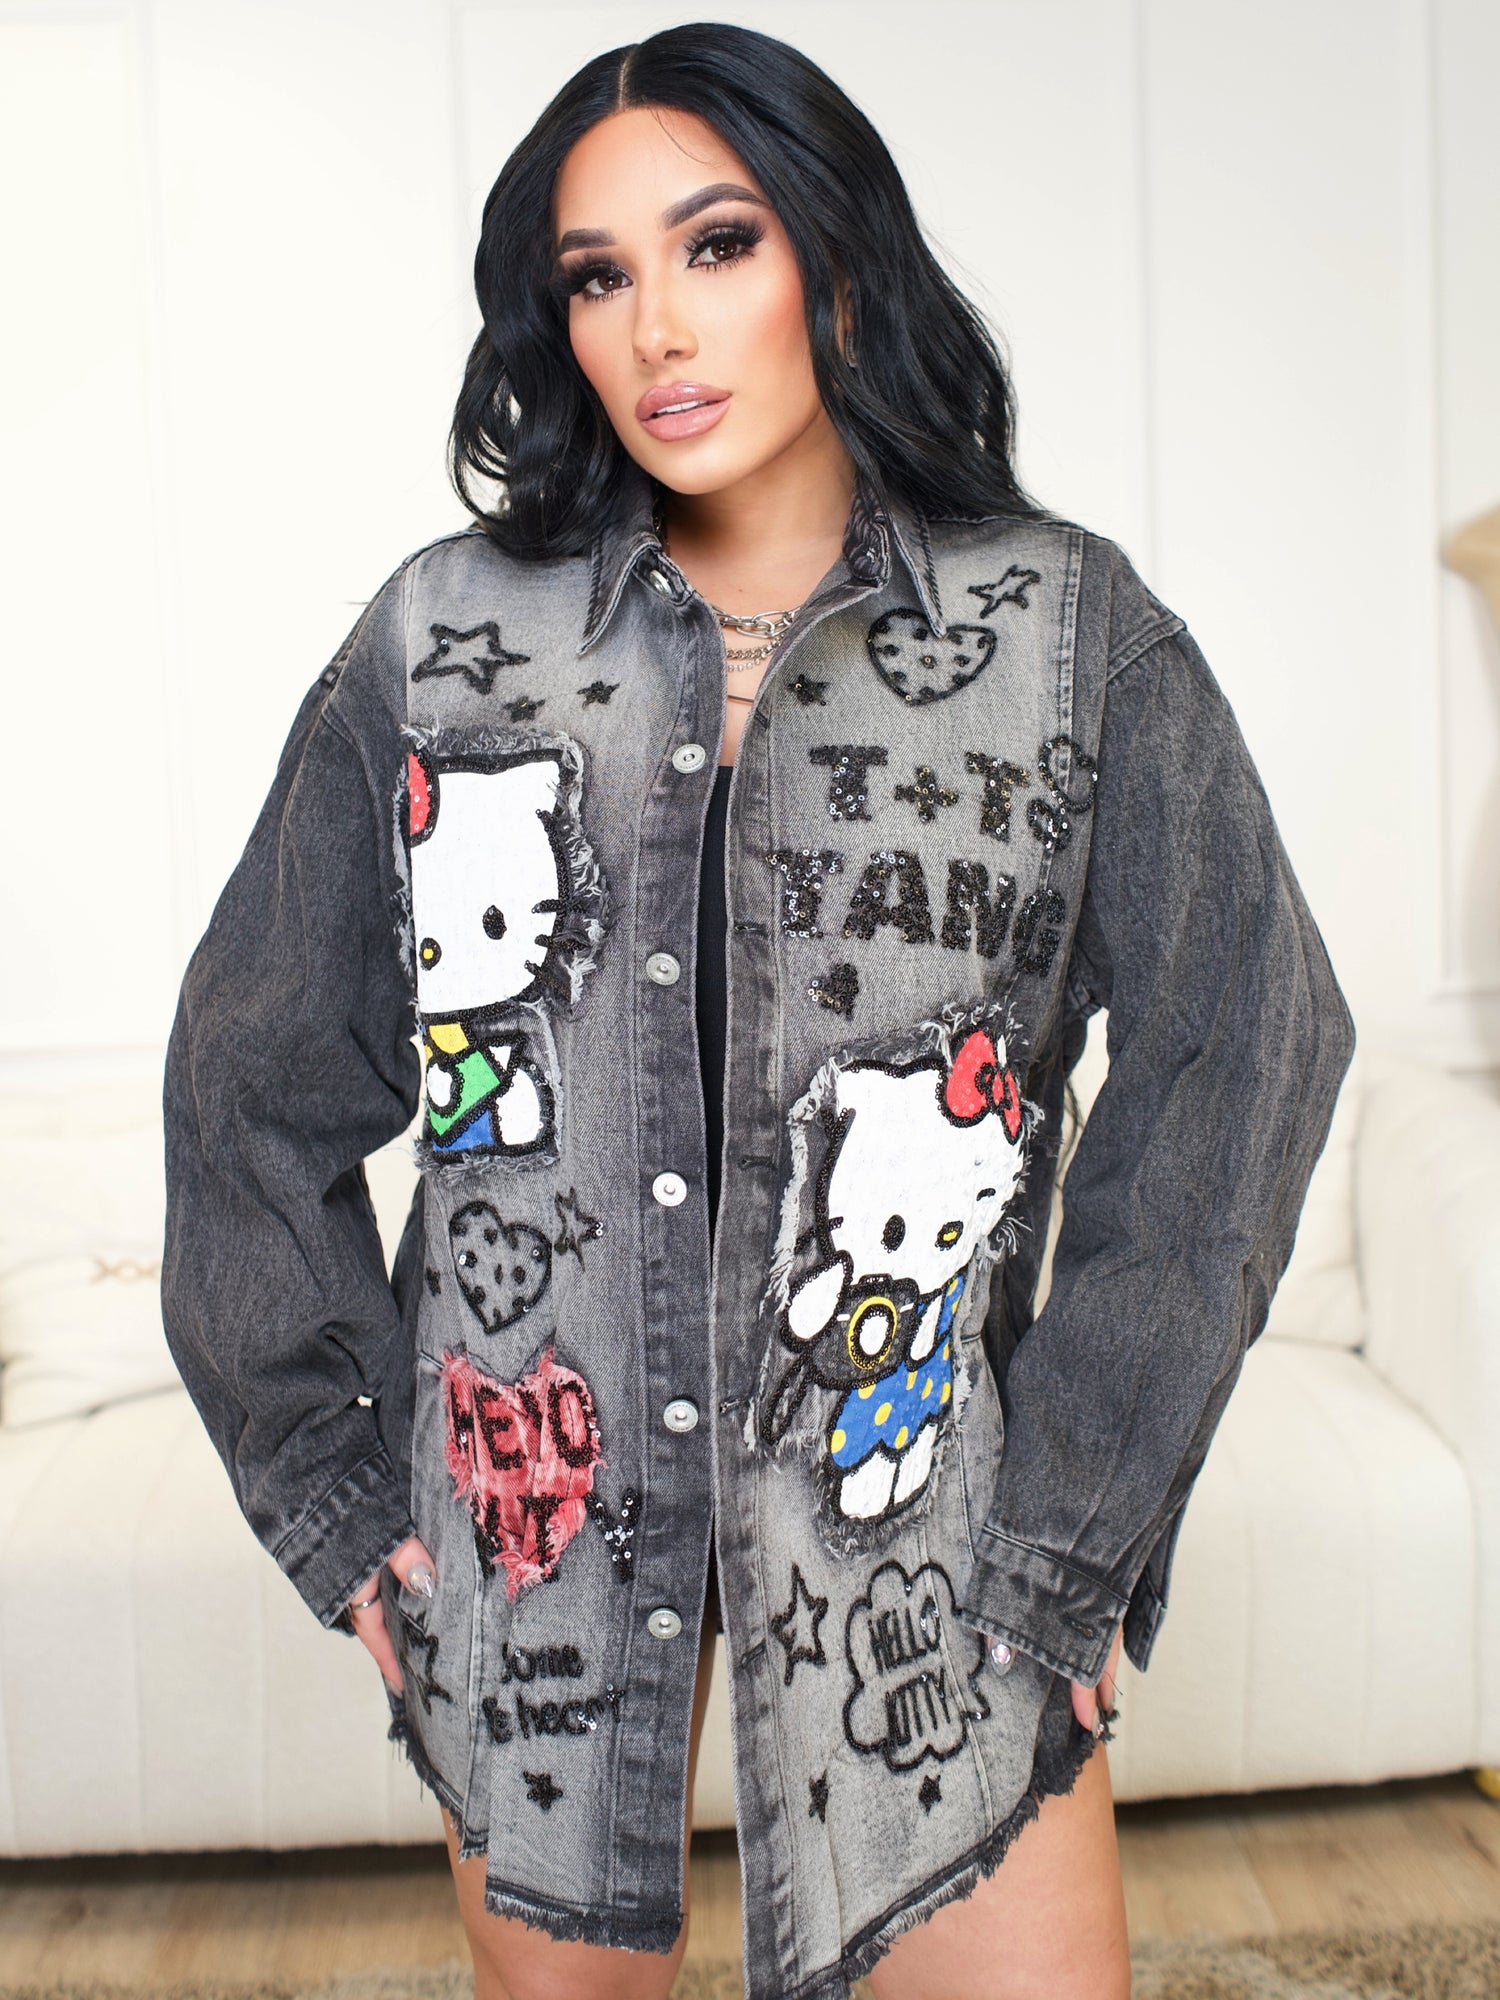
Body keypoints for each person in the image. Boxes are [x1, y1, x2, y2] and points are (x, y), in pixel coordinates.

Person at [160, 22, 1355, 2000]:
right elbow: (249, 1081)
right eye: (598, 276)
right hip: (537, 1524)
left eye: (716, 246)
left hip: (908, 1531)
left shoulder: (1065, 640)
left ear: (838, 262)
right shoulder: (441, 642)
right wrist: (335, 1487)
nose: (657, 329)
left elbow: (1255, 1048)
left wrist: (1074, 1522)